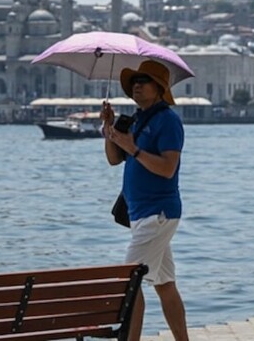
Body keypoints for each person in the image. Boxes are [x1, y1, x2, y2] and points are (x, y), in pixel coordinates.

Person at [99, 60, 189, 341]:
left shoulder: (168, 121)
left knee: (130, 281)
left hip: (158, 213)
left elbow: (167, 168)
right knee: (164, 284)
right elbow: (114, 159)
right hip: (141, 215)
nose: (137, 85)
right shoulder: (137, 120)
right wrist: (109, 128)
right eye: (134, 81)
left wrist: (133, 148)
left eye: (143, 80)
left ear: (159, 88)